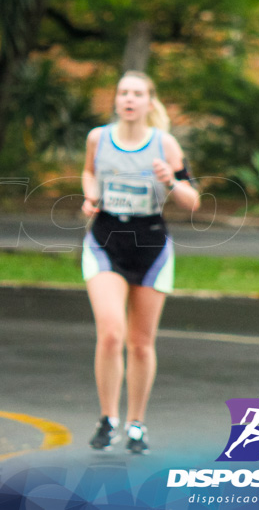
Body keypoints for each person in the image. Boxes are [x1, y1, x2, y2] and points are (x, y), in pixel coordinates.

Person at [80, 70, 200, 455]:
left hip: (151, 244)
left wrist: (172, 181)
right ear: (116, 100)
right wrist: (91, 196)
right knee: (112, 332)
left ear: (150, 102)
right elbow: (88, 172)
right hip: (106, 239)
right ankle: (107, 418)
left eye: (137, 94)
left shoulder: (165, 144)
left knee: (142, 344)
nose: (129, 99)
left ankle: (136, 423)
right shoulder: (98, 138)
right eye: (123, 93)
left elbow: (192, 199)